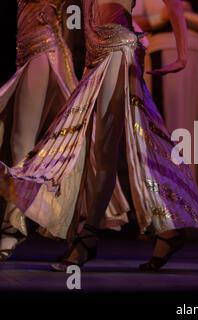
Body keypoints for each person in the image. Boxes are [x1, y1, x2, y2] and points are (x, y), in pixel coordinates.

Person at [0, 0, 198, 271]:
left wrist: (181, 56)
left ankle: (88, 238)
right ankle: (166, 231)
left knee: (104, 150)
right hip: (94, 56)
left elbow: (175, 5)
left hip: (118, 51)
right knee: (104, 146)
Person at [0, 0, 78, 261]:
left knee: (22, 142)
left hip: (43, 51)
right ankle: (73, 228)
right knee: (26, 142)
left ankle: (12, 227)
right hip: (26, 52)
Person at [134, 0, 198, 219]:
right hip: (161, 54)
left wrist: (180, 16)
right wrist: (162, 17)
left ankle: (196, 210)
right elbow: (132, 21)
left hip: (196, 61)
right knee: (168, 134)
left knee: (196, 135)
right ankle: (163, 213)